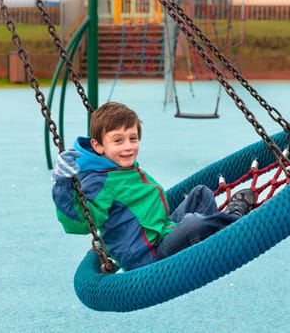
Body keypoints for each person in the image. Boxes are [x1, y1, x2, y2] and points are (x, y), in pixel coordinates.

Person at [51, 102, 255, 271]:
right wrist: (63, 184)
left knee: (200, 194)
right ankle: (233, 218)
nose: (128, 147)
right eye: (118, 141)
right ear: (98, 146)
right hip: (148, 256)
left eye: (132, 138)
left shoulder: (120, 167)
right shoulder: (99, 180)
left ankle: (208, 243)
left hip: (161, 232)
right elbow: (80, 222)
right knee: (193, 223)